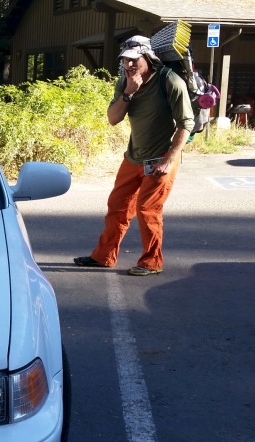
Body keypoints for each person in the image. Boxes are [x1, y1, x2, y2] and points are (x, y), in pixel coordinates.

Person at [74, 35, 194, 276]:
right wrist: (129, 92)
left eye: (134, 60)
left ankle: (152, 262)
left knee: (148, 209)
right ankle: (103, 257)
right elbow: (112, 119)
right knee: (117, 206)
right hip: (133, 157)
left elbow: (186, 123)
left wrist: (169, 159)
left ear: (147, 58)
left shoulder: (170, 81)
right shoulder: (125, 83)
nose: (129, 65)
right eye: (125, 61)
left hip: (160, 158)